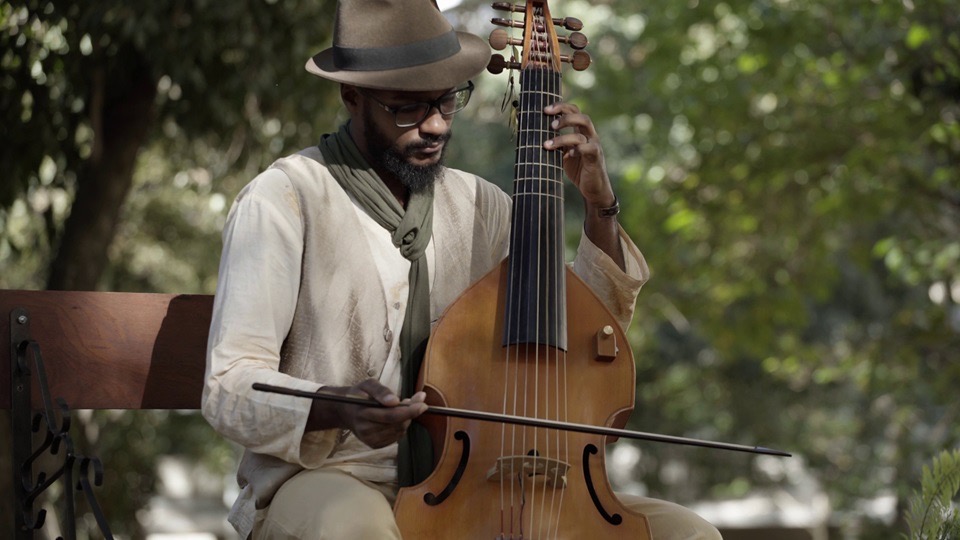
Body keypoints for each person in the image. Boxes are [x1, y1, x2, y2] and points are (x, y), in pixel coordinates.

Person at [202, 0, 722, 538]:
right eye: (406, 108)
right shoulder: (285, 198)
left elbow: (590, 340)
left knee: (690, 534)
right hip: (340, 474)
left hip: (484, 478)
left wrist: (598, 206)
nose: (433, 125)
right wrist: (335, 406)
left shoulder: (487, 206)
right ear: (351, 97)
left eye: (447, 102)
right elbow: (228, 387)